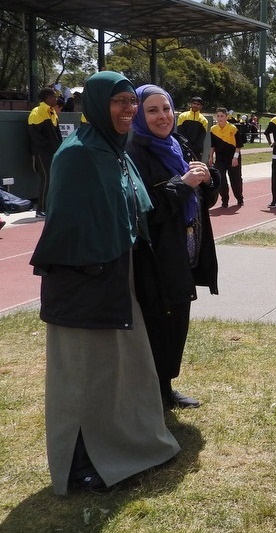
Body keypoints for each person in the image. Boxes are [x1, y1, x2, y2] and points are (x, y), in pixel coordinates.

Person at [29, 71, 180, 495]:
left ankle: (119, 449)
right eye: (118, 101)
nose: (128, 109)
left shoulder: (116, 151)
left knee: (117, 373)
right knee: (81, 378)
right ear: (95, 104)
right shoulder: (77, 154)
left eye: (132, 101)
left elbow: (135, 212)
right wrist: (93, 274)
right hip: (83, 285)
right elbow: (67, 230)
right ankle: (78, 466)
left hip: (115, 277)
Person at [127, 84, 220, 410]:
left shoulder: (178, 143)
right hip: (158, 255)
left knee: (178, 318)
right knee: (159, 321)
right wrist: (184, 184)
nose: (162, 116)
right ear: (139, 114)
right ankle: (155, 389)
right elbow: (144, 208)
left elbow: (205, 193)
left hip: (187, 246)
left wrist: (208, 178)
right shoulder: (135, 153)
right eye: (152, 110)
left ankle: (165, 387)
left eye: (166, 109)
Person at [27, 86, 63, 218]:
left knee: (53, 179)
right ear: (47, 98)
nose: (56, 98)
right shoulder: (37, 111)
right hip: (42, 153)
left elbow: (56, 135)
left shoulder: (53, 113)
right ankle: (40, 209)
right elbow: (36, 136)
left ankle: (50, 206)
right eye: (53, 96)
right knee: (46, 178)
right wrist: (48, 148)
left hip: (53, 153)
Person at [208, 107, 244, 208]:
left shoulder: (233, 128)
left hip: (233, 158)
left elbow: (239, 145)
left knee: (235, 180)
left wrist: (235, 158)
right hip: (220, 159)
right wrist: (211, 156)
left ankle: (239, 198)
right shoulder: (213, 129)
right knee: (221, 180)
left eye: (222, 116)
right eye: (218, 116)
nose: (220, 118)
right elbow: (213, 145)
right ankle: (225, 200)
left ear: (227, 117)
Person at [177, 96, 209, 160]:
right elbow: (180, 133)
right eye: (194, 103)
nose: (195, 105)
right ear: (191, 104)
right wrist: (187, 145)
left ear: (201, 106)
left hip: (197, 150)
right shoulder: (182, 116)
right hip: (184, 147)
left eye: (198, 104)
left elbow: (201, 137)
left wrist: (194, 147)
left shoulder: (204, 120)